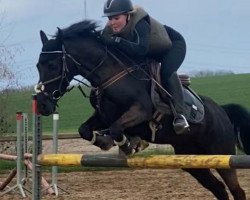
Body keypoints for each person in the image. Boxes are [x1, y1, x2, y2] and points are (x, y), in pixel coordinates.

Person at [101, 0, 189, 135]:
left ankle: (180, 115)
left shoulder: (140, 23)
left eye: (116, 18)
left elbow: (140, 51)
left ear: (128, 15)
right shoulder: (109, 30)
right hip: (151, 51)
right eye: (110, 18)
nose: (112, 22)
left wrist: (115, 40)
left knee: (166, 72)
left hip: (173, 46)